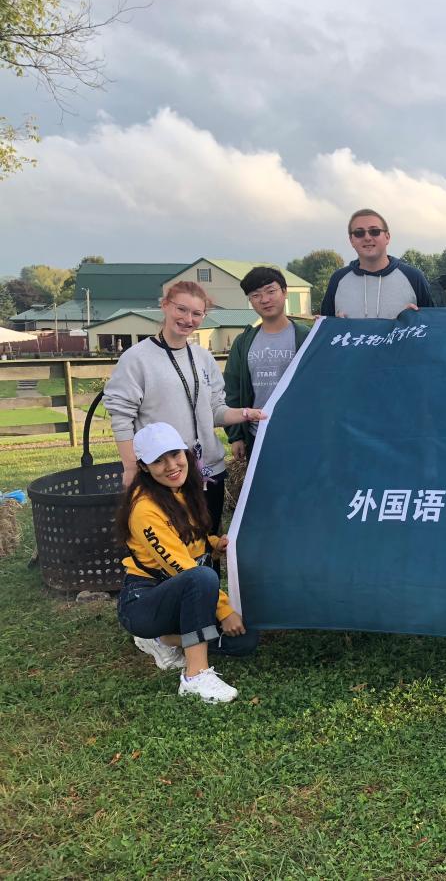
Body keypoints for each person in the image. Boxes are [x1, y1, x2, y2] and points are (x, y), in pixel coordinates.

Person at [104, 281, 268, 534]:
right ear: (165, 306)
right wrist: (130, 467)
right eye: (181, 309)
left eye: (196, 314)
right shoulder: (137, 359)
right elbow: (121, 417)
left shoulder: (203, 357)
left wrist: (246, 414)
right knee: (175, 545)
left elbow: (214, 411)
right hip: (165, 473)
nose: (187, 319)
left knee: (209, 539)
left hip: (208, 471)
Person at [116, 423, 258, 703]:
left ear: (186, 454)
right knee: (202, 577)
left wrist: (215, 544)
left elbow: (191, 538)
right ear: (144, 467)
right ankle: (195, 676)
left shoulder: (183, 489)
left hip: (185, 596)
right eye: (159, 460)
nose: (171, 466)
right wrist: (224, 610)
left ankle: (163, 639)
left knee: (245, 640)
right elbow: (182, 567)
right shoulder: (144, 509)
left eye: (175, 454)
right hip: (144, 600)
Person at [224, 267, 311, 461]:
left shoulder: (306, 337)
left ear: (285, 292)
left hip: (300, 434)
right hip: (257, 434)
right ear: (250, 301)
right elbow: (232, 389)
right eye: (256, 295)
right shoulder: (243, 342)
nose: (264, 300)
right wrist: (236, 436)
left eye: (271, 291)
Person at [320, 208, 438, 317]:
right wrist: (334, 324)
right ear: (351, 240)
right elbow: (324, 327)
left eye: (374, 231)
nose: (367, 237)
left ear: (387, 237)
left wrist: (415, 319)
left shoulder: (414, 277)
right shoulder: (337, 279)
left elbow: (433, 324)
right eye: (359, 233)